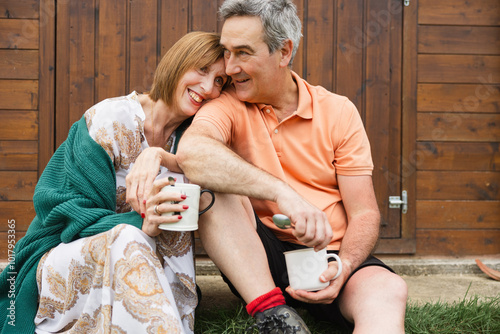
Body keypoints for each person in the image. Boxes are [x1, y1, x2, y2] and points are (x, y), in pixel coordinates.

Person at [176, 1, 408, 333]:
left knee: (388, 291)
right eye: (227, 52)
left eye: (243, 53)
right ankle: (274, 316)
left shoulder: (338, 111)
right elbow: (193, 153)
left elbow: (365, 214)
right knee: (212, 190)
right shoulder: (227, 103)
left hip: (330, 255)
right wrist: (284, 194)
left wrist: (345, 266)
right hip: (259, 261)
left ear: (283, 52)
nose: (229, 67)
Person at [0, 31, 228, 333]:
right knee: (128, 238)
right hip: (69, 258)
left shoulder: (195, 138)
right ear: (177, 63)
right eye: (201, 70)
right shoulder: (110, 120)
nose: (208, 87)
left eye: (219, 81)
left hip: (157, 268)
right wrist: (139, 221)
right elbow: (62, 209)